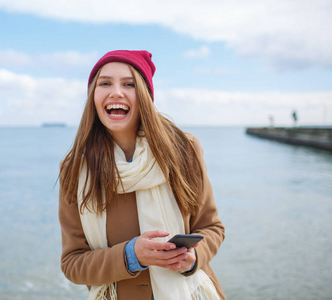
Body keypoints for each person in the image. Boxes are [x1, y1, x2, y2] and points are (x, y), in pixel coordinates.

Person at [58, 50, 225, 300]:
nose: (116, 92)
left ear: (145, 96)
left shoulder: (184, 149)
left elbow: (211, 227)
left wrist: (193, 258)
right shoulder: (75, 168)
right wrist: (130, 256)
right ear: (93, 95)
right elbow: (72, 263)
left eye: (129, 84)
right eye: (105, 83)